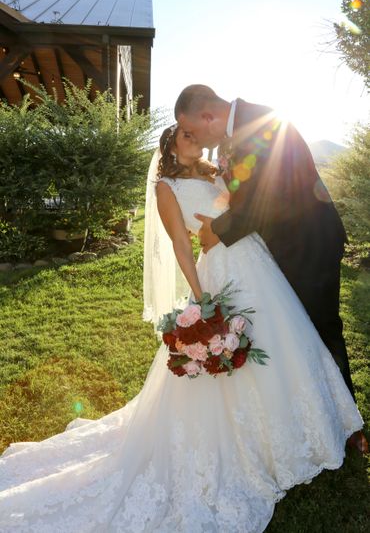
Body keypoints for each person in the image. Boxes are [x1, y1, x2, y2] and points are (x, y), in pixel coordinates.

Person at [0, 125, 364, 532]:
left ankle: (305, 433)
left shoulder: (215, 173)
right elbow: (180, 242)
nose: (195, 140)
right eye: (186, 135)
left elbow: (245, 209)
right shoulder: (165, 187)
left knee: (283, 342)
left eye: (196, 135)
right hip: (220, 275)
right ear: (170, 145)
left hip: (259, 265)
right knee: (238, 356)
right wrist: (200, 298)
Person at [175, 84, 368, 454]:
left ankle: (349, 427)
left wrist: (214, 231)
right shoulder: (233, 134)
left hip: (308, 245)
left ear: (208, 117)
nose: (198, 139)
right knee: (295, 331)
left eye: (195, 132)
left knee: (322, 328)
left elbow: (267, 200)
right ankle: (309, 417)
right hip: (280, 247)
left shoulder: (263, 122)